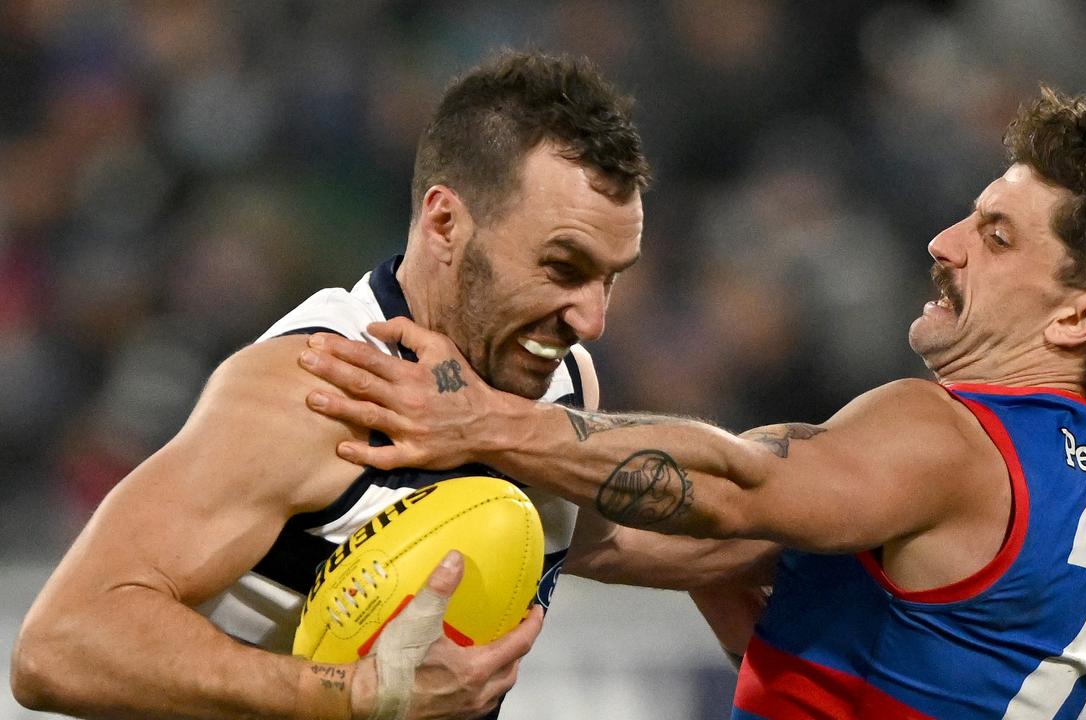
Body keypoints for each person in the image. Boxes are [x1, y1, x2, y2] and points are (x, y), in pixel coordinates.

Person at [293, 88, 1086, 719]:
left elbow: (735, 488)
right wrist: (470, 490)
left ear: (1080, 316)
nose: (945, 240)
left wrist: (478, 423)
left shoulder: (950, 441)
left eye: (997, 237)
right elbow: (708, 548)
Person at [11, 51, 772, 720]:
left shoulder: (560, 380)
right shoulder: (314, 391)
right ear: (444, 223)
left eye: (611, 279)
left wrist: (757, 563)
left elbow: (596, 533)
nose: (592, 318)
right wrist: (359, 694)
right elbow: (60, 646)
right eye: (563, 267)